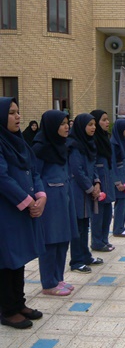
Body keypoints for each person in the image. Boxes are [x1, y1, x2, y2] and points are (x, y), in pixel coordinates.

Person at [0, 97, 46, 329]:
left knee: (17, 258)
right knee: (5, 260)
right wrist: (28, 202)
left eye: (18, 112)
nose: (18, 117)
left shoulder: (19, 142)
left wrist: (41, 196)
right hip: (6, 212)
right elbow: (2, 178)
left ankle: (19, 303)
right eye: (11, 113)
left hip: (22, 209)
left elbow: (33, 170)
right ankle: (7, 310)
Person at [33, 110, 77, 296]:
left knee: (63, 239)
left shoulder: (62, 146)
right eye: (62, 124)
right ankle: (48, 282)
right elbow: (35, 175)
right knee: (50, 240)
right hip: (49, 200)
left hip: (64, 196)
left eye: (67, 123)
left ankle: (58, 278)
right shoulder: (40, 148)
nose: (67, 127)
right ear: (51, 126)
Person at [67, 113, 103, 274]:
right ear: (81, 127)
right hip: (77, 191)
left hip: (87, 190)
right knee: (78, 227)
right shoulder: (74, 146)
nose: (93, 127)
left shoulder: (89, 143)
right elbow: (77, 171)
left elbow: (92, 165)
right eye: (90, 125)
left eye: (94, 124)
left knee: (84, 224)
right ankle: (76, 261)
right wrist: (90, 188)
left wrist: (97, 182)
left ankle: (85, 256)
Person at [89, 110, 116, 252]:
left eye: (107, 119)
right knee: (98, 213)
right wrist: (96, 181)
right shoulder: (93, 141)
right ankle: (97, 242)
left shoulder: (105, 138)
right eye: (104, 120)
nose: (107, 122)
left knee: (107, 212)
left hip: (107, 178)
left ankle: (104, 239)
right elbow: (91, 163)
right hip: (99, 181)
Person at [110, 119, 125, 238]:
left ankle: (121, 227)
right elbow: (112, 164)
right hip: (119, 175)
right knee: (120, 202)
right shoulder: (114, 144)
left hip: (124, 173)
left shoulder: (123, 141)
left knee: (124, 202)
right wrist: (117, 182)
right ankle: (118, 229)